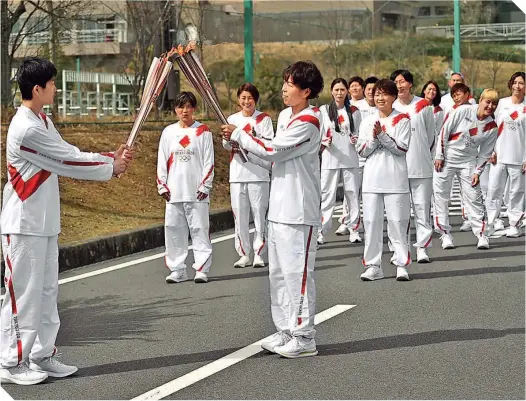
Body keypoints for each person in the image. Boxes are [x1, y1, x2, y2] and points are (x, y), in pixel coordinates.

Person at [0, 57, 131, 385]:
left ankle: (41, 355)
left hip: (43, 223)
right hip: (23, 225)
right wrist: (109, 167)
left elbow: (65, 150)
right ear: (37, 88)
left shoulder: (41, 119)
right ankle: (11, 361)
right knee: (24, 294)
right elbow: (65, 159)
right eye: (53, 84)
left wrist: (107, 157)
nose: (56, 89)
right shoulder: (26, 128)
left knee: (45, 292)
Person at [221, 61, 323, 358]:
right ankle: (285, 331)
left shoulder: (310, 121)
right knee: (278, 274)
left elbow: (273, 150)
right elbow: (269, 160)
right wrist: (240, 148)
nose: (284, 88)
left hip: (299, 209)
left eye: (290, 84)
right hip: (278, 207)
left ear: (306, 91)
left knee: (297, 274)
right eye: (284, 81)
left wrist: (240, 134)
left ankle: (304, 337)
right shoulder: (287, 116)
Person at [357, 79, 412, 281]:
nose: (380, 98)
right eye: (377, 94)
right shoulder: (367, 121)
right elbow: (362, 151)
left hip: (395, 180)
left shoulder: (403, 120)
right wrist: (374, 138)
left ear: (393, 97)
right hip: (372, 180)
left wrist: (383, 136)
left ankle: (401, 264)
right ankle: (373, 266)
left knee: (398, 222)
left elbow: (401, 149)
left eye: (384, 94)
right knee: (371, 223)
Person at [157, 91, 214, 284]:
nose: (185, 111)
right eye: (181, 107)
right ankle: (177, 270)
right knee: (173, 230)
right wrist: (162, 185)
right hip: (174, 191)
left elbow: (209, 162)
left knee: (199, 229)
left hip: (196, 192)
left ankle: (202, 269)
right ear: (175, 109)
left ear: (194, 109)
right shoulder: (168, 132)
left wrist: (205, 186)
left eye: (189, 106)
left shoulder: (203, 131)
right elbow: (161, 161)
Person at [434, 84, 498, 250]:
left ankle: (481, 234)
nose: (490, 106)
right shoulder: (464, 110)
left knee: (474, 197)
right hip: (448, 157)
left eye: (494, 104)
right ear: (481, 100)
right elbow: (444, 131)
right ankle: (445, 234)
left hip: (468, 161)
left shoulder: (492, 126)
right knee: (441, 196)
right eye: (488, 102)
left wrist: (478, 171)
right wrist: (440, 155)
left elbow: (485, 152)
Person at [223, 83, 273, 268]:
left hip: (259, 175)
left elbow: (267, 144)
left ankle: (259, 253)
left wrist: (246, 140)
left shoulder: (263, 119)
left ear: (255, 99)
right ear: (238, 100)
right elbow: (225, 143)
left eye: (250, 98)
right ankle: (244, 254)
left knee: (259, 215)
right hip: (237, 174)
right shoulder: (231, 119)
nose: (246, 101)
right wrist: (231, 143)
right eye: (243, 98)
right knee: (240, 216)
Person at [391, 70, 435, 263]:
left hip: (420, 164)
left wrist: (424, 153)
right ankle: (399, 250)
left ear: (410, 84)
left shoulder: (423, 105)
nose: (399, 85)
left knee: (422, 208)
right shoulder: (390, 107)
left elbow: (431, 136)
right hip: (397, 167)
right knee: (398, 212)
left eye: (402, 82)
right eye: (396, 82)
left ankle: (422, 248)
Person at [317, 78, 362, 245]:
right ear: (331, 91)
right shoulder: (324, 110)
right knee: (327, 195)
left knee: (352, 195)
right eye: (336, 90)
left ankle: (354, 229)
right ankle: (321, 231)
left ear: (347, 92)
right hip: (330, 159)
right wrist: (323, 142)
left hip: (350, 158)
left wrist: (356, 139)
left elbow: (359, 132)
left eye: (342, 90)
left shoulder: (355, 111)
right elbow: (319, 133)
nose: (339, 93)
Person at [335, 76, 378, 236]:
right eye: (369, 90)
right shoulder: (354, 107)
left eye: (375, 91)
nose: (372, 93)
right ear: (364, 91)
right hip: (357, 157)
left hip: (375, 158)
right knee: (352, 191)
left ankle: (367, 222)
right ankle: (347, 221)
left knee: (370, 193)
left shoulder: (382, 107)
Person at [485, 72, 526, 237]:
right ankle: (491, 223)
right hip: (499, 155)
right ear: (511, 84)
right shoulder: (501, 103)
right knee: (494, 190)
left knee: (517, 192)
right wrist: (491, 150)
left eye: (521, 83)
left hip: (519, 157)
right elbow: (491, 128)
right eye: (515, 82)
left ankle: (514, 224)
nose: (517, 86)